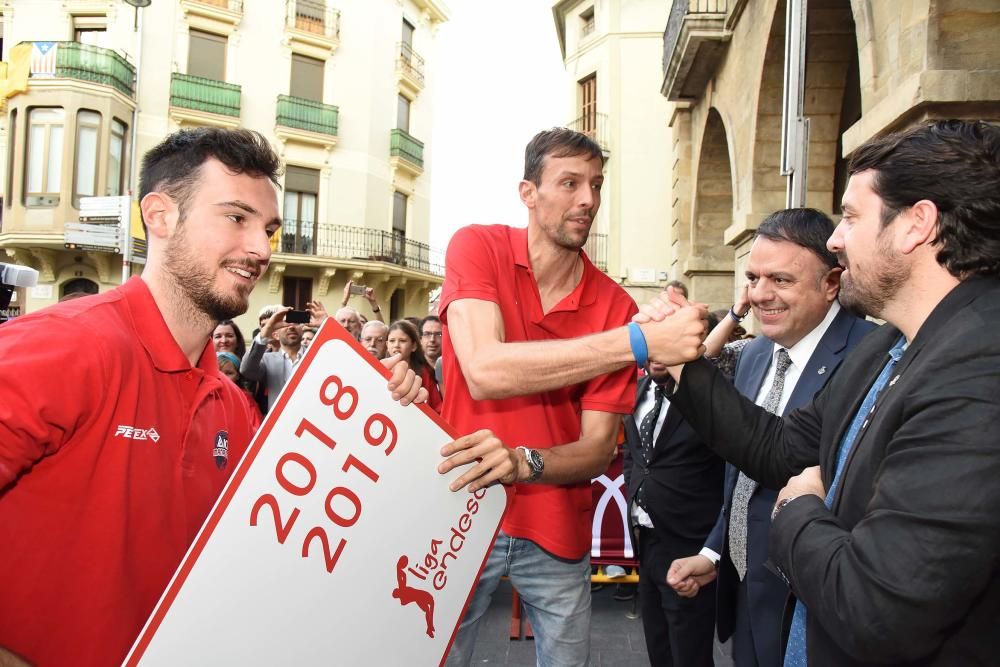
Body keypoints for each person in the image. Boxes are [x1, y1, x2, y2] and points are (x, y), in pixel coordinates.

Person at [0, 127, 426, 667]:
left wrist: (388, 408)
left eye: (269, 228)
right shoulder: (66, 346)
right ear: (159, 215)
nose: (261, 248)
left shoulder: (234, 407)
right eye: (236, 217)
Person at [647, 120, 1000, 666]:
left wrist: (800, 506)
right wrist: (681, 365)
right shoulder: (887, 346)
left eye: (852, 217)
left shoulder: (978, 370)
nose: (836, 239)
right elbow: (780, 449)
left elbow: (877, 608)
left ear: (916, 225)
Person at [435, 127, 706, 666]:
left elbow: (596, 448)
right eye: (569, 182)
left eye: (597, 184)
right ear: (528, 192)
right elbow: (484, 370)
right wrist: (634, 341)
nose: (588, 200)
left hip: (557, 523)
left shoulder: (612, 302)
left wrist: (520, 462)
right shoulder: (478, 246)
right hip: (458, 513)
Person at [665, 208, 876, 667]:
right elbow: (743, 473)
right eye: (753, 278)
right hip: (745, 591)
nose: (760, 295)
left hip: (810, 605)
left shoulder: (867, 359)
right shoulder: (755, 355)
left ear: (831, 284)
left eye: (780, 279)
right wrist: (714, 552)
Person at [623, 357, 724, 667]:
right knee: (658, 644)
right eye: (649, 346)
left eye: (664, 344)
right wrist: (638, 490)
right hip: (648, 538)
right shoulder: (638, 391)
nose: (655, 355)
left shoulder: (712, 395)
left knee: (689, 651)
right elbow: (634, 454)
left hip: (691, 542)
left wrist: (714, 549)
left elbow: (730, 469)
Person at [387, 319, 442, 413]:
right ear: (387, 345)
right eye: (392, 341)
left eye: (402, 341)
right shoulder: (379, 369)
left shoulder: (424, 372)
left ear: (414, 346)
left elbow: (437, 408)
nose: (396, 345)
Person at [217, 350, 262, 421]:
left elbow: (255, 425)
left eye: (229, 373)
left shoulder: (244, 398)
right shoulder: (206, 396)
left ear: (238, 375)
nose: (223, 377)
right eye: (218, 372)